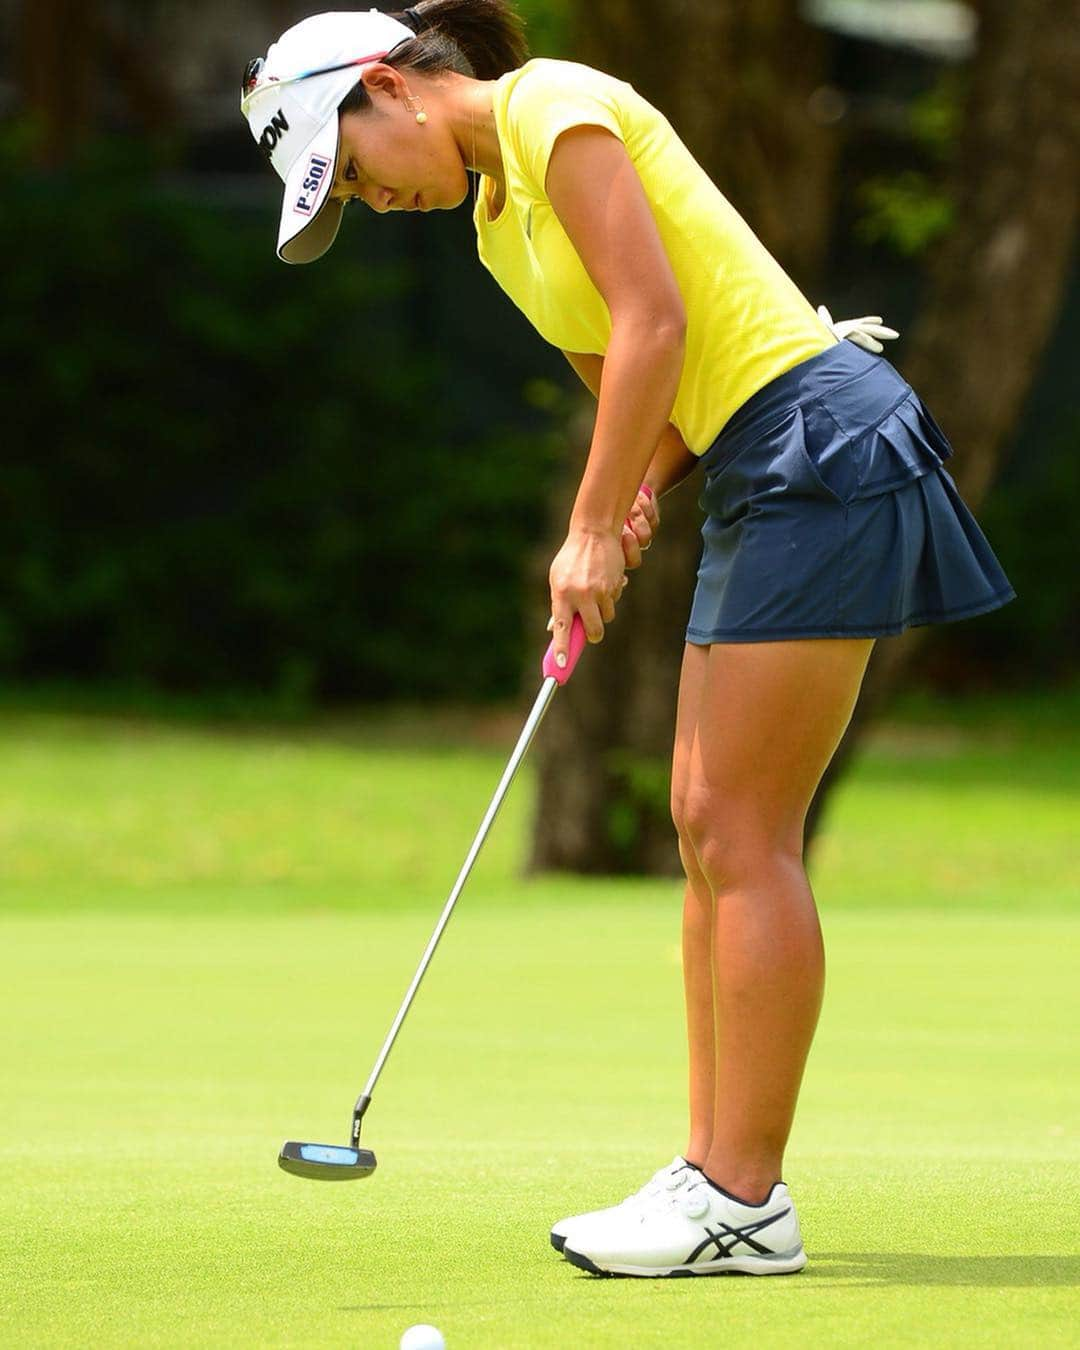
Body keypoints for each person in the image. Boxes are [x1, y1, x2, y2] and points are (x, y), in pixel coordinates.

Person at [240, 2, 1017, 1278]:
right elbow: (635, 391)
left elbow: (657, 318)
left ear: (388, 85)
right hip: (755, 462)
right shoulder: (497, 226)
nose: (372, 205)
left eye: (355, 171)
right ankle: (713, 1174)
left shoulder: (554, 104)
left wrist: (591, 528)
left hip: (820, 438)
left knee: (741, 830)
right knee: (704, 825)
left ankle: (743, 1198)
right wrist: (631, 493)